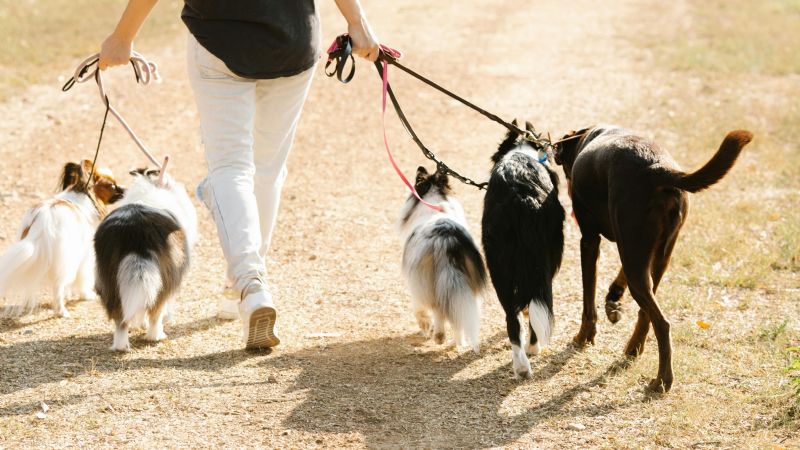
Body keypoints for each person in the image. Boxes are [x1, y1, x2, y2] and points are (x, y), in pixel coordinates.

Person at [99, 0, 379, 349]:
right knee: (267, 171)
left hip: (219, 38)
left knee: (231, 169)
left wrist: (123, 37)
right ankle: (243, 286)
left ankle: (250, 284)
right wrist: (356, 21)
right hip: (291, 39)